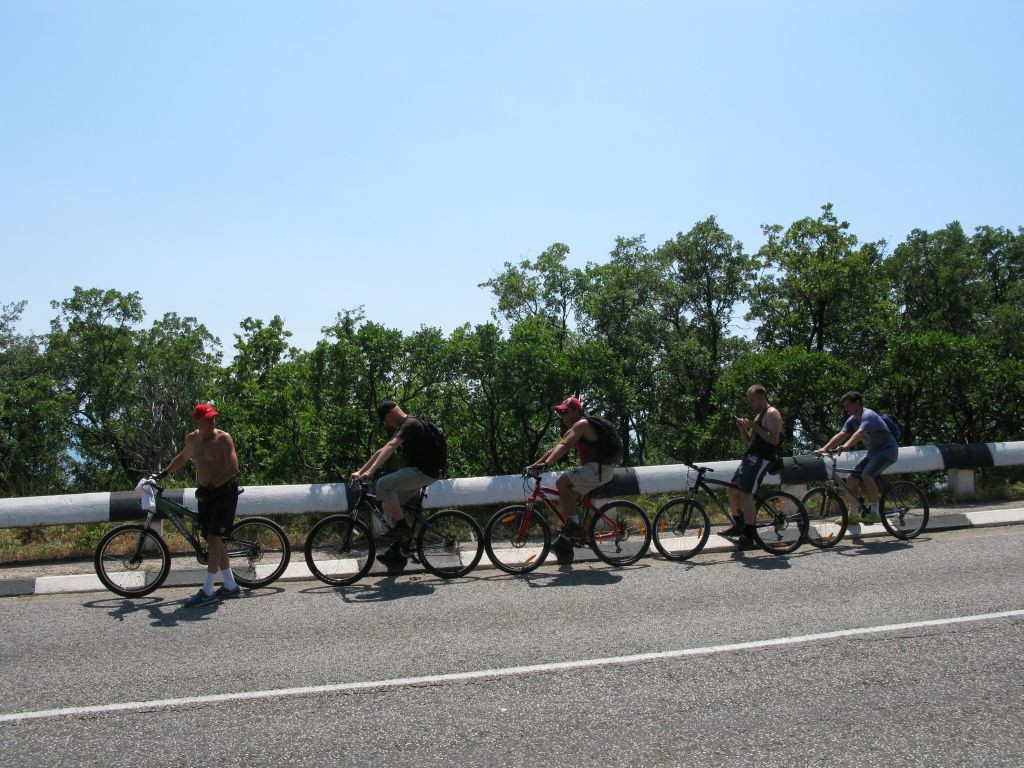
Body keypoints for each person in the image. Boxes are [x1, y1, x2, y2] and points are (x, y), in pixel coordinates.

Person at [157, 403, 241, 606]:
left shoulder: (223, 438)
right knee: (213, 539)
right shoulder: (192, 439)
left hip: (222, 492)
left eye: (213, 418)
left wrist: (212, 486)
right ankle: (230, 585)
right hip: (206, 494)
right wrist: (164, 473)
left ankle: (208, 589)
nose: (212, 422)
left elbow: (233, 468)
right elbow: (183, 458)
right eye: (207, 420)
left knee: (214, 539)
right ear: (197, 422)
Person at [352, 401, 443, 569]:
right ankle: (399, 550)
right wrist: (360, 471)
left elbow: (392, 446)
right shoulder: (405, 426)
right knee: (388, 504)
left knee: (383, 484)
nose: (386, 424)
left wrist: (371, 472)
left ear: (392, 411)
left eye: (386, 420)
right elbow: (383, 449)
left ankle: (402, 529)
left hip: (423, 472)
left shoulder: (411, 424)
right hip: (418, 472)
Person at [528, 396, 619, 562]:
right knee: (567, 502)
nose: (562, 415)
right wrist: (534, 465)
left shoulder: (582, 424)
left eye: (565, 412)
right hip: (594, 470)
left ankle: (574, 529)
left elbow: (564, 447)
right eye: (560, 412)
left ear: (576, 411)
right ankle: (567, 541)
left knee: (562, 482)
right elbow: (556, 448)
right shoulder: (574, 428)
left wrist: (546, 464)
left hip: (598, 469)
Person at [815, 391, 899, 524]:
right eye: (845, 406)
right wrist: (824, 448)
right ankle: (853, 514)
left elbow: (859, 433)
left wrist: (846, 446)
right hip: (873, 452)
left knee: (867, 475)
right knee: (851, 479)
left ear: (857, 403)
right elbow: (841, 435)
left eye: (848, 405)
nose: (846, 409)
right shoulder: (852, 420)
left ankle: (875, 512)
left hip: (887, 451)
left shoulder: (868, 415)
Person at [723, 385, 783, 549]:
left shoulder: (771, 413)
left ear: (763, 397)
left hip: (762, 458)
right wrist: (743, 429)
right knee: (733, 489)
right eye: (749, 400)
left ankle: (749, 535)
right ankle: (739, 524)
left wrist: (754, 426)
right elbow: (750, 442)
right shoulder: (759, 415)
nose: (751, 403)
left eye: (753, 400)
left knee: (746, 493)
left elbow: (774, 440)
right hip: (751, 457)